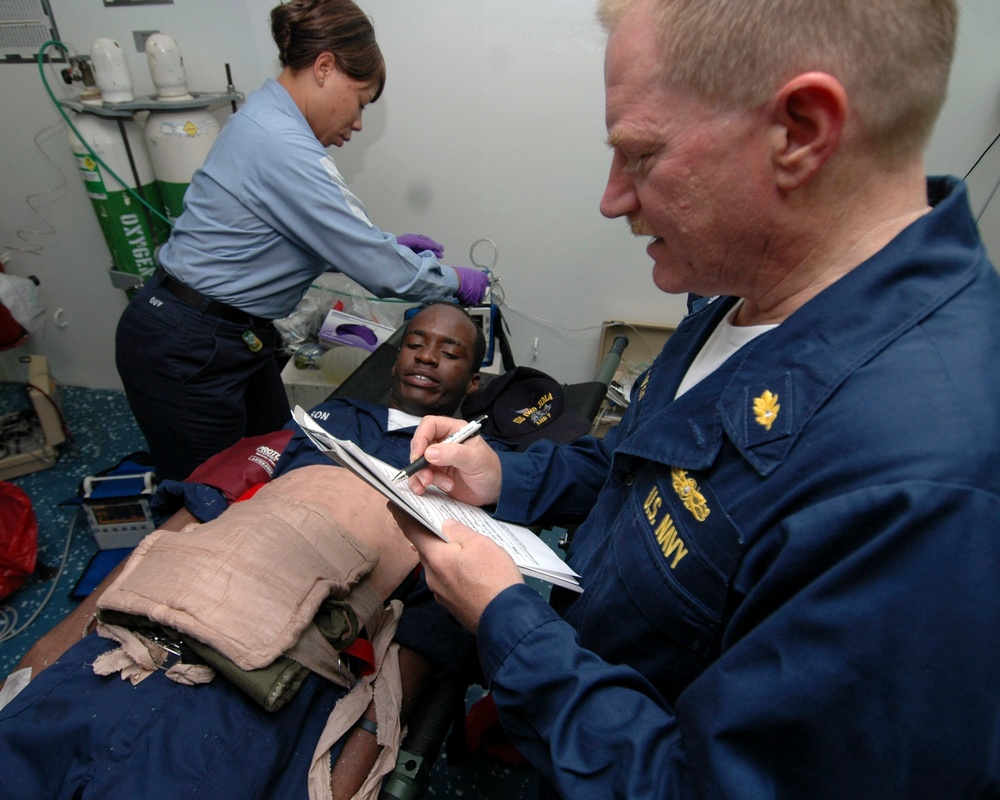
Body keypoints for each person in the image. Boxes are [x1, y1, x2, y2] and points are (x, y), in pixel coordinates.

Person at [398, 0, 1000, 797]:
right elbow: (638, 466)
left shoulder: (926, 486)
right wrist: (507, 480)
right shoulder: (743, 293)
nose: (613, 199)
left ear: (801, 131)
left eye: (641, 155)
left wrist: (504, 621)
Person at [0, 302, 488, 800]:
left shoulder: (470, 473)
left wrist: (355, 763)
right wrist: (63, 634)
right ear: (394, 357)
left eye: (450, 352)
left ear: (473, 382)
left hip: (267, 676)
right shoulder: (331, 417)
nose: (427, 358)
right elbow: (213, 499)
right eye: (415, 343)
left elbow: (432, 621)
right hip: (159, 615)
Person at [116, 0, 489, 482]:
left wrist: (387, 244)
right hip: (186, 342)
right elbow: (379, 269)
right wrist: (453, 279)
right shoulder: (280, 144)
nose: (357, 123)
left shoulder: (271, 123)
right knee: (208, 495)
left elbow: (287, 237)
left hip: (233, 335)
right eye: (360, 101)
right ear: (325, 67)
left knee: (272, 463)